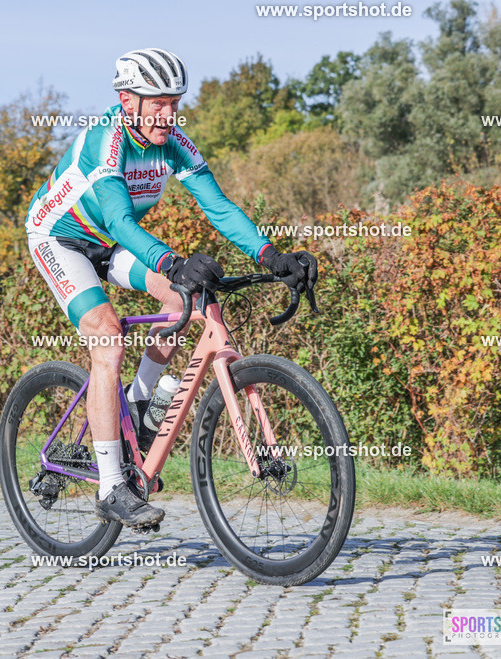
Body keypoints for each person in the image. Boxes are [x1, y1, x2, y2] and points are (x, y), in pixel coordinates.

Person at [24, 48, 317, 528]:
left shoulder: (173, 141)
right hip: (61, 239)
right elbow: (119, 219)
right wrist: (173, 261)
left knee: (185, 300)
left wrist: (271, 255)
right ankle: (112, 485)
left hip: (108, 241)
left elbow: (217, 206)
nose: (168, 113)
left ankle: (138, 409)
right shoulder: (107, 143)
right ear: (126, 101)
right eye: (157, 103)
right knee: (108, 336)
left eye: (174, 102)